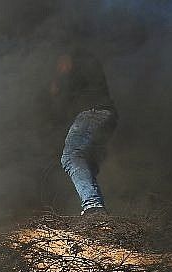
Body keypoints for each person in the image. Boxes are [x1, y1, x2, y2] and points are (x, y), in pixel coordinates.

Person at [51, 47, 118, 215]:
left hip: (93, 114)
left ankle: (93, 206)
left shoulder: (73, 55)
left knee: (71, 156)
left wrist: (56, 85)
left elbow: (65, 68)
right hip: (106, 116)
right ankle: (98, 209)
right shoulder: (88, 61)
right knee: (88, 162)